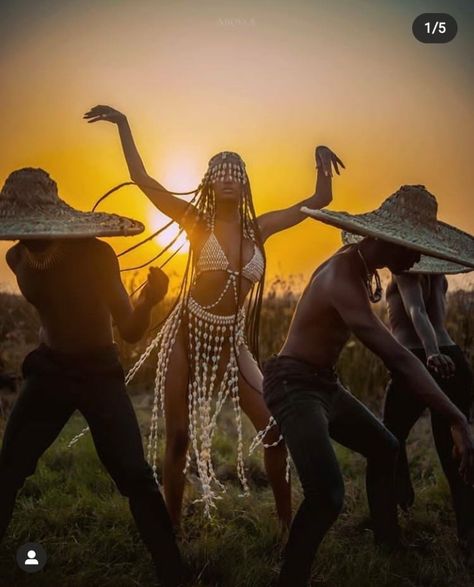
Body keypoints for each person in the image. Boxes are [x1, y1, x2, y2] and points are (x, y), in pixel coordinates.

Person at [83, 104, 344, 526]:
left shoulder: (261, 228)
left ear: (245, 184)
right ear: (208, 180)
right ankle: (173, 529)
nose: (227, 177)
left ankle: (284, 529)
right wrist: (125, 124)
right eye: (219, 171)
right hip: (186, 336)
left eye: (235, 171)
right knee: (179, 438)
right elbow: (143, 180)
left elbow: (320, 200)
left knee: (274, 432)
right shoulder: (195, 222)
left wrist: (320, 161)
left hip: (230, 342)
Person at [263, 185, 474, 587]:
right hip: (292, 384)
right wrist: (457, 419)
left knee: (385, 447)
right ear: (383, 240)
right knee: (326, 496)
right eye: (410, 247)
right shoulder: (341, 275)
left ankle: (388, 544)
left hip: (323, 384)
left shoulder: (363, 268)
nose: (416, 257)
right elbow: (397, 356)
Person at [0, 168, 185, 587]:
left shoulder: (97, 255)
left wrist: (150, 299)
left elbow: (132, 331)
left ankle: (174, 574)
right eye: (16, 225)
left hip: (99, 372)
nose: (23, 234)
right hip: (49, 371)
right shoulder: (16, 257)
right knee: (9, 468)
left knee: (135, 475)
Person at [343, 210, 474, 566]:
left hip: (420, 360)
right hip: (454, 358)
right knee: (453, 448)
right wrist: (439, 351)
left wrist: (430, 353)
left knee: (388, 441)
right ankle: (466, 531)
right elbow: (433, 313)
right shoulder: (438, 273)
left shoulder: (403, 268)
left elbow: (417, 312)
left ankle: (392, 520)